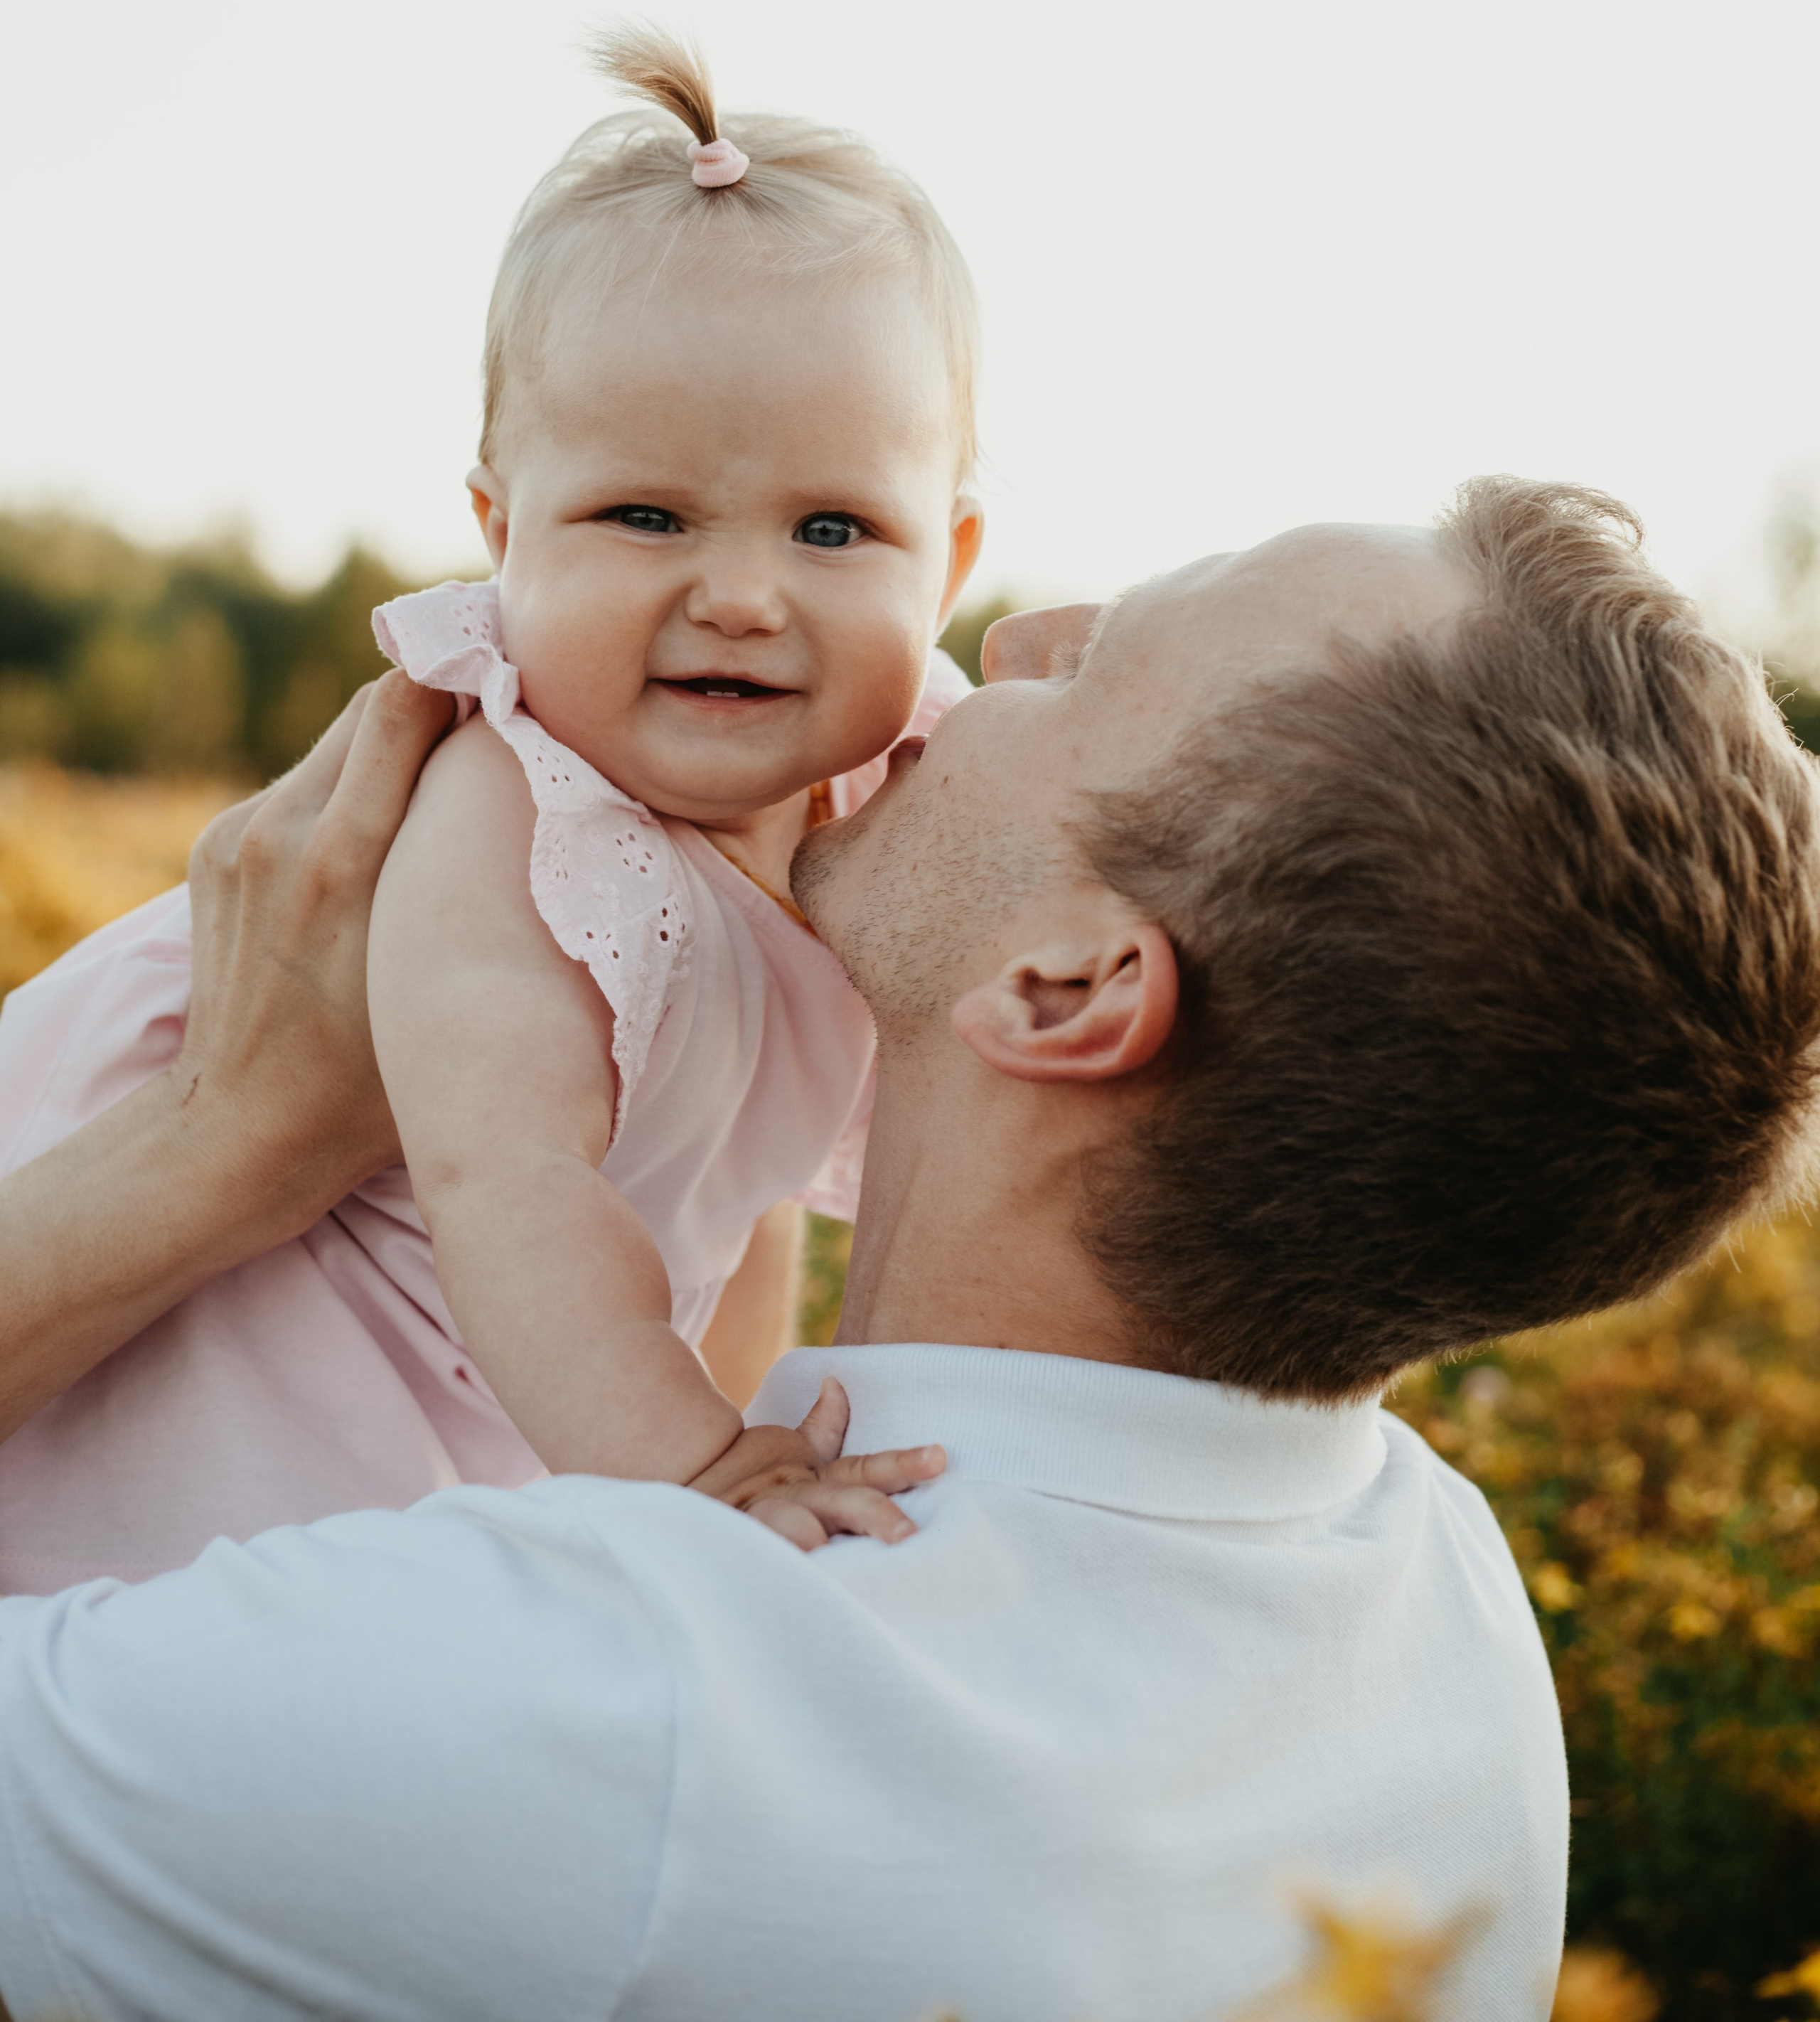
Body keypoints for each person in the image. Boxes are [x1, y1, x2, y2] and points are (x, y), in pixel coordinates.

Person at [4, 480, 1818, 2022]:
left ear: (1069, 987)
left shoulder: (619, 1703)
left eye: (1096, 669)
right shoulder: (1446, 1613)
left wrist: (218, 1138)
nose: (1004, 638)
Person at [0, 28, 983, 1590]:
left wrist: (736, 1430)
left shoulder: (893, 797)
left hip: (516, 1366)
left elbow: (743, 1209)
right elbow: (509, 1183)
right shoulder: (513, 807)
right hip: (253, 1351)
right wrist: (698, 1471)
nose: (740, 594)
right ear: (500, 530)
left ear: (950, 563)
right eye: (645, 515)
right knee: (287, 1626)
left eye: (832, 529)